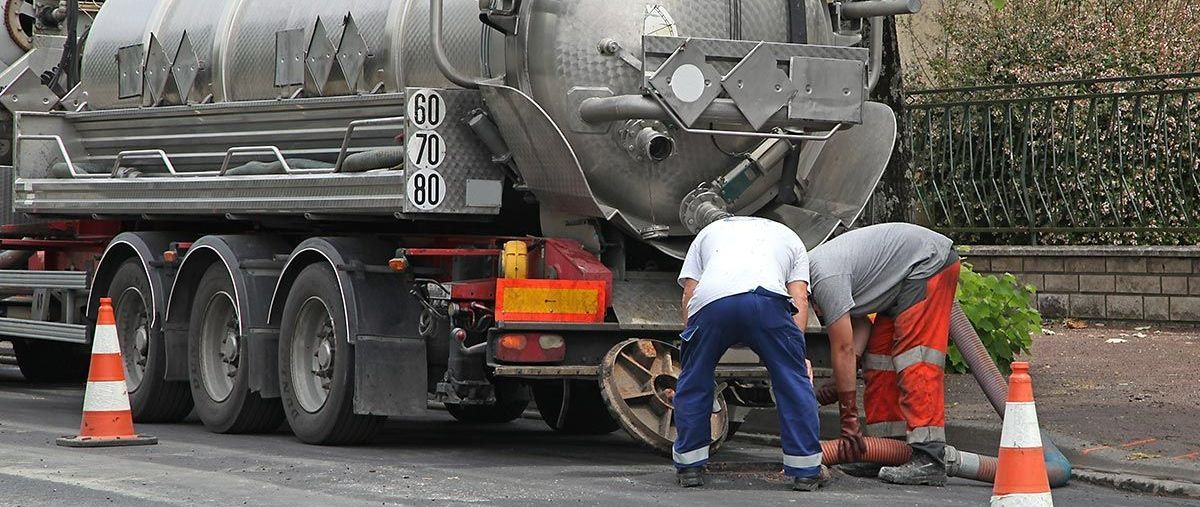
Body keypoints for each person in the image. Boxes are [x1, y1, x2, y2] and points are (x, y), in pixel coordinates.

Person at [673, 216, 825, 491]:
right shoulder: (790, 236)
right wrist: (796, 354)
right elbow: (799, 297)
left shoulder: (708, 233)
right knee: (792, 382)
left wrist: (694, 343)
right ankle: (805, 471)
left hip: (712, 303)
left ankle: (690, 468)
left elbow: (690, 293)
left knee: (694, 379)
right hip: (766, 302)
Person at [807, 223, 960, 486]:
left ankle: (929, 457)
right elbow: (861, 327)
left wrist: (849, 420)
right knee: (878, 360)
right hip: (898, 283)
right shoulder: (814, 272)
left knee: (915, 358)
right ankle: (887, 449)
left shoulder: (823, 278)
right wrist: (841, 379)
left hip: (926, 264)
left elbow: (843, 347)